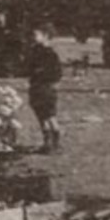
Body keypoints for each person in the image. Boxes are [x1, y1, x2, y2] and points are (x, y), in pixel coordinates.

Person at [26, 24, 63, 153]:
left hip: (46, 88)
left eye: (36, 35)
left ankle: (56, 143)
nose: (33, 37)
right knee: (41, 115)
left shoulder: (50, 54)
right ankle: (46, 142)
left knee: (49, 115)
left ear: (46, 36)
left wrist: (41, 74)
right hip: (36, 87)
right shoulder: (35, 51)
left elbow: (57, 73)